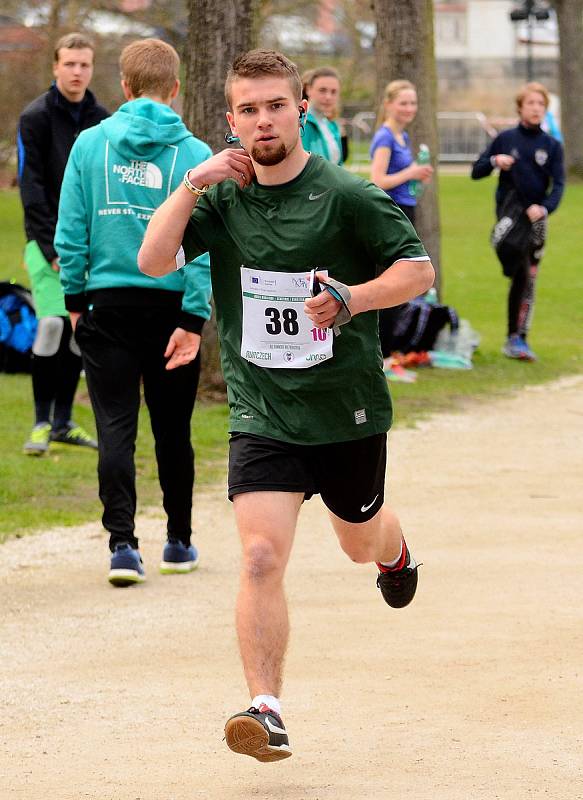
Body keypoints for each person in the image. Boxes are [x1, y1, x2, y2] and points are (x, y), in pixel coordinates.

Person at [138, 49, 434, 761]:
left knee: (358, 541)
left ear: (300, 107)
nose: (263, 119)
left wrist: (351, 299)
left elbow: (417, 269)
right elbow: (152, 261)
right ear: (231, 119)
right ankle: (264, 709)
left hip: (343, 408)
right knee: (261, 556)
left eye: (275, 104)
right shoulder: (224, 196)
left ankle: (394, 551)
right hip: (261, 408)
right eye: (248, 108)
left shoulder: (345, 193)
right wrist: (191, 183)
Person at [55, 38, 212, 586]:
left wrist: (74, 300)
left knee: (115, 428)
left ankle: (123, 546)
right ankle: (179, 541)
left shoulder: (89, 144)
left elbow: (71, 232)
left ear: (122, 87)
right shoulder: (195, 155)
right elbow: (204, 245)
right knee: (174, 432)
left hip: (107, 305)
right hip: (171, 309)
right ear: (176, 89)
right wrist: (193, 319)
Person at [17, 32, 109, 455]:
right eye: (70, 63)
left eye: (84, 64)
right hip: (46, 245)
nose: (77, 72)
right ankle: (39, 424)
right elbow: (31, 189)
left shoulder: (102, 119)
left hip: (90, 247)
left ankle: (63, 422)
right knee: (53, 324)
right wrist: (53, 249)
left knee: (78, 331)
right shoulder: (34, 117)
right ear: (55, 66)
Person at [471, 82, 565, 362]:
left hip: (536, 219)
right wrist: (495, 161)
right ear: (520, 108)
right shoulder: (506, 139)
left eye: (541, 104)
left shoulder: (552, 146)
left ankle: (517, 339)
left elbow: (559, 185)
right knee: (506, 249)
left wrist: (545, 208)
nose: (536, 108)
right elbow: (476, 171)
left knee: (528, 280)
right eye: (531, 103)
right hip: (510, 215)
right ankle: (512, 270)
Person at [369, 80, 434, 226]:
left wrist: (420, 174)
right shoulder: (385, 137)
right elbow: (377, 181)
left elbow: (405, 172)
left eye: (413, 103)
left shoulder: (402, 135)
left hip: (406, 207)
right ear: (388, 105)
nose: (409, 108)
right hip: (391, 210)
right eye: (403, 103)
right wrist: (411, 173)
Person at [301, 66, 344, 165]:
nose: (328, 97)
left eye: (334, 92)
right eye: (322, 90)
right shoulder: (301, 123)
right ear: (308, 89)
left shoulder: (332, 126)